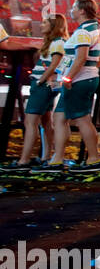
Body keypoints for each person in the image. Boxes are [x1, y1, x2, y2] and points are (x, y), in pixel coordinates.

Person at [44, 0, 100, 173]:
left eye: (73, 7)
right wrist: (94, 68)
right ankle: (57, 159)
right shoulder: (96, 29)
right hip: (83, 78)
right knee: (59, 118)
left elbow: (81, 57)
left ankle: (93, 159)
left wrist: (68, 78)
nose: (70, 10)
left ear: (81, 11)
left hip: (77, 81)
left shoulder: (83, 31)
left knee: (82, 119)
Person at [16, 14, 67, 169]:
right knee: (45, 122)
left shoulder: (57, 42)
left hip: (43, 85)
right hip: (47, 85)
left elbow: (54, 66)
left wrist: (40, 81)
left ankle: (23, 160)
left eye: (45, 22)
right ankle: (45, 157)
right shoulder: (55, 42)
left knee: (30, 122)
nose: (41, 24)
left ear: (53, 26)